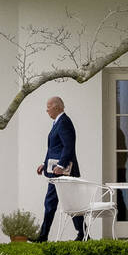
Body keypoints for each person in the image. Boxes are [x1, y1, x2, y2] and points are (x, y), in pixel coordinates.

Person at [33, 95, 85, 241]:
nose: (46, 110)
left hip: (63, 172)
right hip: (56, 172)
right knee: (52, 202)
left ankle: (82, 234)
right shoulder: (57, 122)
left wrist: (61, 165)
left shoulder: (64, 122)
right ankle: (44, 235)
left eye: (48, 107)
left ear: (57, 107)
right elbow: (54, 148)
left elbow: (69, 146)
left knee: (70, 203)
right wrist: (44, 164)